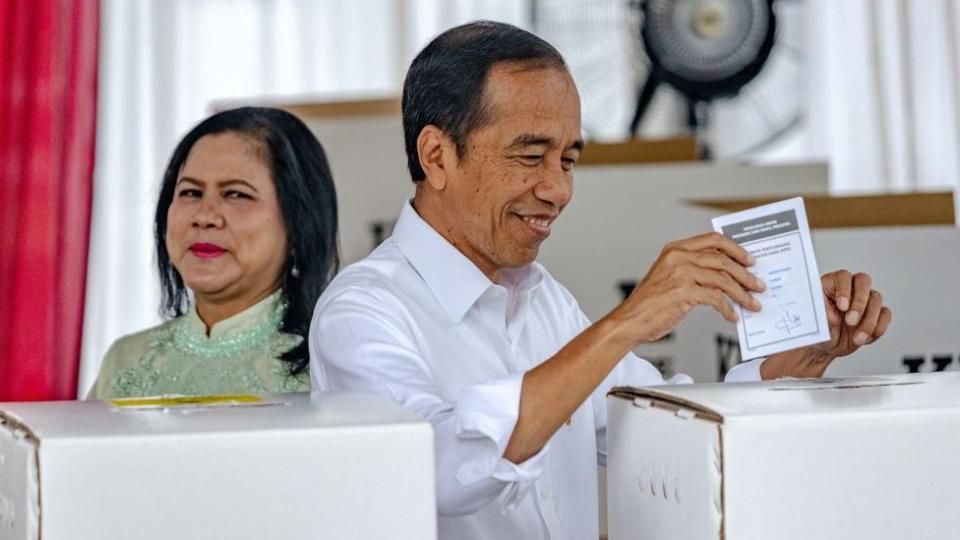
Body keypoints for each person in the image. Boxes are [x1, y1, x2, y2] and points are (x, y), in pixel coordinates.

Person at [309, 21, 892, 539]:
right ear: (436, 156)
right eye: (530, 156)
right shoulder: (362, 312)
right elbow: (439, 468)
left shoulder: (543, 302)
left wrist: (799, 357)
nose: (559, 190)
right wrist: (627, 321)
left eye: (568, 160)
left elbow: (667, 429)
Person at [90, 107, 339, 399]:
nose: (205, 216)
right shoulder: (125, 361)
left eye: (236, 194)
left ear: (299, 222)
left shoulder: (329, 365)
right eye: (190, 192)